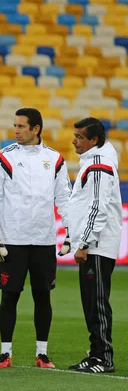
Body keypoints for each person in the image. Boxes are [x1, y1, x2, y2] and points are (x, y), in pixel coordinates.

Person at [0, 107, 72, 369]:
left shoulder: (55, 159)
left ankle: (42, 353)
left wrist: (71, 230)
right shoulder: (4, 158)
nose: (16, 130)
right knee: (9, 297)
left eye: (21, 126)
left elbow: (65, 197)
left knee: (43, 296)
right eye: (15, 125)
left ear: (36, 129)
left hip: (44, 240)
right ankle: (5, 352)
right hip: (13, 239)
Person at [65, 117, 121, 373]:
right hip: (93, 244)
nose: (74, 140)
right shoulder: (93, 162)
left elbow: (98, 206)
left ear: (94, 140)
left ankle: (103, 358)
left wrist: (85, 242)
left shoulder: (99, 165)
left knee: (97, 303)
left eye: (79, 137)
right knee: (91, 303)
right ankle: (96, 352)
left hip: (96, 245)